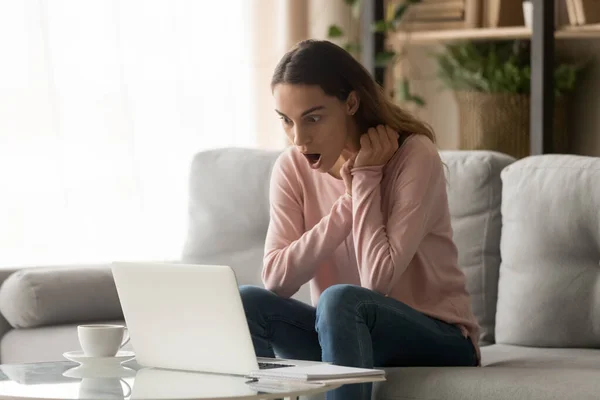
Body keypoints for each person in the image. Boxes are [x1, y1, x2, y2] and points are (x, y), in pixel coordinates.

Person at [239, 39, 480, 400]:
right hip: (343, 334)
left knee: (339, 300)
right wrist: (347, 204)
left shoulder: (414, 156)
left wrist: (366, 177)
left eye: (313, 118)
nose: (299, 139)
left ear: (351, 103)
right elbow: (276, 280)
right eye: (287, 122)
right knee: (248, 302)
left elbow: (376, 281)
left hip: (438, 336)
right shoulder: (291, 167)